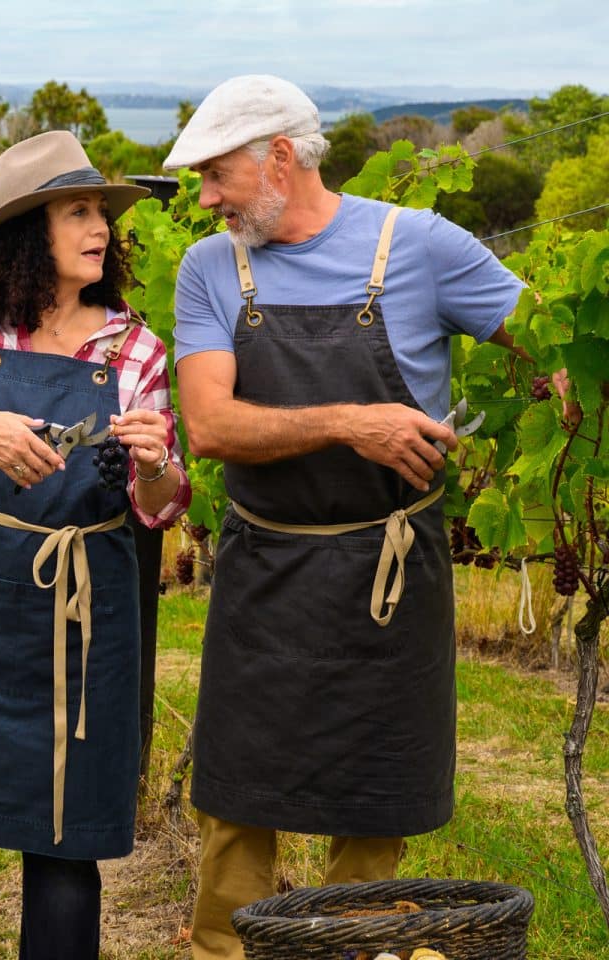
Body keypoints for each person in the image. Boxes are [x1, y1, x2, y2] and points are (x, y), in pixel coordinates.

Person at [166, 75, 532, 960]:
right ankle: (226, 950)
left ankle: (356, 951)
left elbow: (548, 342)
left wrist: (545, 433)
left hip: (392, 570)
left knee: (374, 799)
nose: (206, 199)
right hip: (266, 567)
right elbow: (210, 426)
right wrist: (348, 421)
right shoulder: (212, 264)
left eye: (217, 176)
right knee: (237, 797)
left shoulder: (424, 246)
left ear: (280, 158)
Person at [0, 130, 192, 958]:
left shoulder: (136, 350)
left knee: (67, 847)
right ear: (30, 235)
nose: (101, 228)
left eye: (102, 213)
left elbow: (159, 509)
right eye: (79, 212)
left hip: (86, 617)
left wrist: (158, 461)